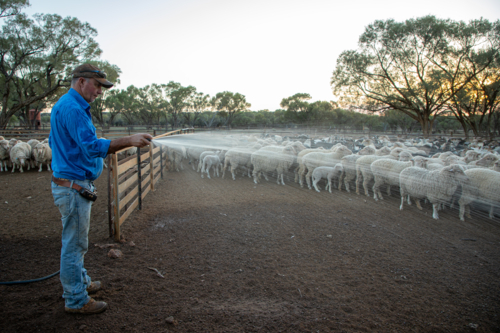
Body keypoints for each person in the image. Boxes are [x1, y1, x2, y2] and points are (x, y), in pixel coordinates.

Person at [49, 64, 152, 314]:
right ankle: (76, 300)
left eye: (101, 87)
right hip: (73, 187)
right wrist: (129, 140)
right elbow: (91, 147)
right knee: (74, 245)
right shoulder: (73, 109)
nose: (99, 92)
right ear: (81, 81)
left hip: (72, 184)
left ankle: (80, 283)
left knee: (76, 242)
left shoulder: (67, 105)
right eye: (97, 86)